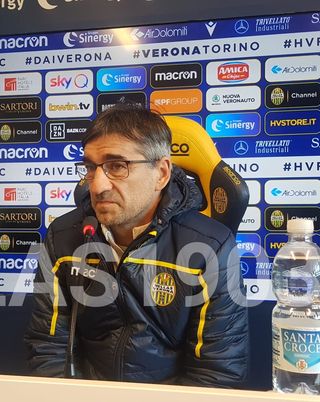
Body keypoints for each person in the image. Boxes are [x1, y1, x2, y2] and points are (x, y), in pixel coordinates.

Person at [24, 104, 249, 388]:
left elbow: (216, 373)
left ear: (161, 173)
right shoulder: (62, 236)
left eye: (117, 166)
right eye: (91, 168)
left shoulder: (211, 247)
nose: (97, 186)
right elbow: (47, 350)